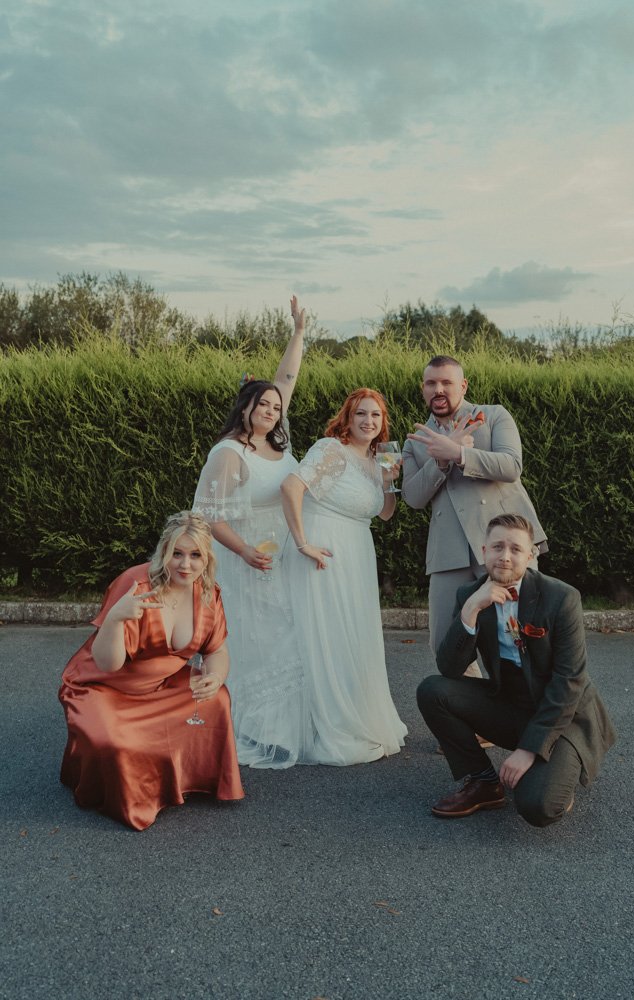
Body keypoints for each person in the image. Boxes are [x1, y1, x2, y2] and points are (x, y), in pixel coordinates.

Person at [417, 513, 616, 826]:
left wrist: (529, 749)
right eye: (497, 547)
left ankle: (558, 768)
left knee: (538, 806)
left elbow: (569, 682)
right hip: (511, 704)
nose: (505, 556)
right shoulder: (470, 594)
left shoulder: (561, 598)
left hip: (563, 716)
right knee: (433, 691)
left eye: (515, 549)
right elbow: (450, 669)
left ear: (530, 555)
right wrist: (471, 610)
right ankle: (484, 782)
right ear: (484, 551)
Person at [59, 512, 244, 831]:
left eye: (195, 555)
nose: (185, 565)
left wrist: (215, 676)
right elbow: (107, 663)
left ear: (207, 559)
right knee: (113, 742)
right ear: (164, 551)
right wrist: (116, 619)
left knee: (217, 699)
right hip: (101, 686)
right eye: (177, 553)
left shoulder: (207, 592)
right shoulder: (135, 584)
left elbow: (216, 651)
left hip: (161, 687)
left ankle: (193, 780)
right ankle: (130, 797)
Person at [193, 296, 308, 768]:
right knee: (258, 641)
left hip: (285, 553)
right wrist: (243, 552)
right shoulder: (230, 453)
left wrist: (298, 333)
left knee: (289, 636)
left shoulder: (278, 442)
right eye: (263, 404)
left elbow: (286, 380)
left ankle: (284, 726)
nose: (272, 409)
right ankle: (251, 726)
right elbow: (208, 516)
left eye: (276, 406)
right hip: (248, 559)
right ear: (246, 406)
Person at [280, 389, 408, 765]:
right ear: (347, 418)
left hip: (357, 551)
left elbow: (385, 513)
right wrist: (302, 542)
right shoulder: (332, 450)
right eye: (361, 414)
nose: (369, 421)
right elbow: (291, 487)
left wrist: (389, 480)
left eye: (376, 415)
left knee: (354, 633)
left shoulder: (378, 458)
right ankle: (326, 723)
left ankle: (357, 714)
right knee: (325, 634)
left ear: (383, 422)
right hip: (324, 548)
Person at [402, 355, 548, 660]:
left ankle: (525, 691)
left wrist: (460, 454)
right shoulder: (416, 440)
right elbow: (413, 497)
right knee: (445, 643)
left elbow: (511, 466)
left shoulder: (493, 415)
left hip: (503, 544)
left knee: (520, 634)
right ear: (423, 388)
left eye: (446, 382)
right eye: (431, 383)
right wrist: (440, 460)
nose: (438, 389)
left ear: (463, 386)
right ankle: (472, 693)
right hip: (448, 552)